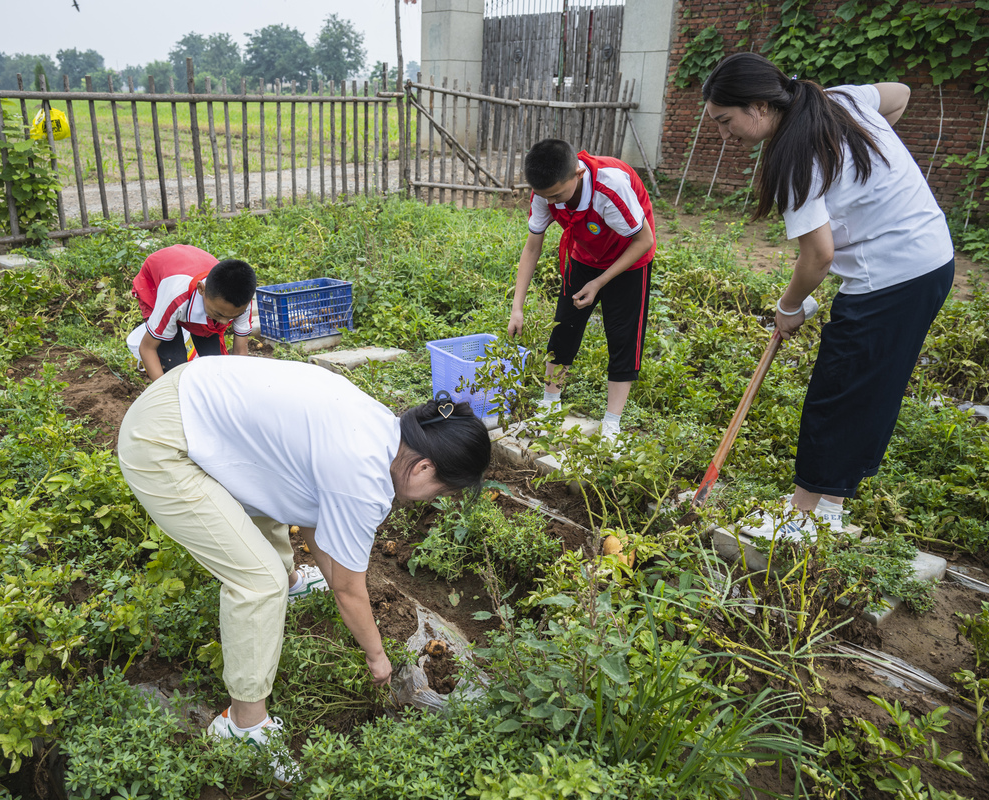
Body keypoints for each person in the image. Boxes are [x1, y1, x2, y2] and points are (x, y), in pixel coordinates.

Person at [117, 358, 491, 782]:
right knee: (258, 582)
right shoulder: (363, 478)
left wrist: (335, 584)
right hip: (161, 443)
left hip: (189, 397)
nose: (435, 499)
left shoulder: (378, 428)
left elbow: (313, 509)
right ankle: (243, 725)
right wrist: (378, 658)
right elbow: (350, 590)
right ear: (425, 467)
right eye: (443, 489)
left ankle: (291, 582)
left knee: (279, 493)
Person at [701, 53, 955, 540]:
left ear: (758, 106)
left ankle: (800, 517)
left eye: (725, 121)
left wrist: (788, 308)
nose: (722, 133)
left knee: (837, 393)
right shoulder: (840, 101)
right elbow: (899, 93)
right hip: (929, 258)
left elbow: (817, 257)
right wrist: (870, 176)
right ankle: (829, 508)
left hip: (893, 274)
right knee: (869, 389)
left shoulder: (796, 159)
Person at [507, 138, 657, 445]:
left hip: (629, 258)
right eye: (547, 197)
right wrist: (517, 307)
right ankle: (549, 405)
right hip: (584, 255)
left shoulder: (610, 188)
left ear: (577, 173)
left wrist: (600, 281)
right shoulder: (545, 193)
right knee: (564, 326)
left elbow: (645, 241)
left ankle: (611, 425)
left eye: (559, 194)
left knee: (622, 337)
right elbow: (532, 246)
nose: (554, 203)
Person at [125, 244, 256, 380]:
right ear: (201, 289)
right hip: (155, 282)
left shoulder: (240, 300)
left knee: (215, 365)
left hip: (194, 272)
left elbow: (240, 352)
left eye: (232, 317)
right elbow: (147, 349)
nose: (224, 322)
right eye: (219, 315)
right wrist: (165, 392)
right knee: (174, 366)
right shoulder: (175, 298)